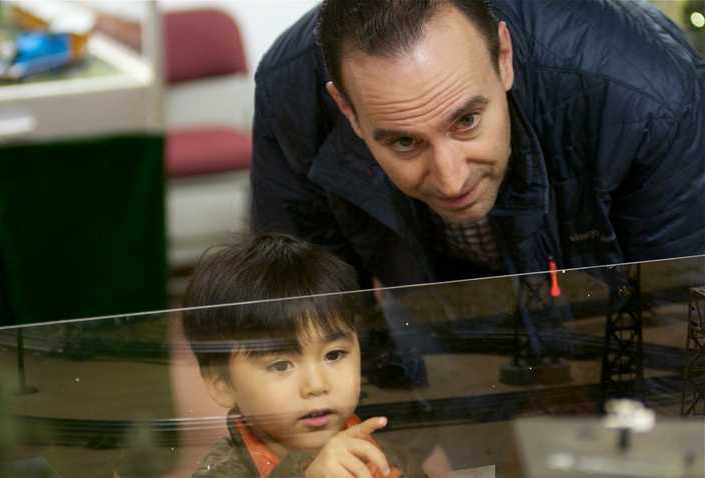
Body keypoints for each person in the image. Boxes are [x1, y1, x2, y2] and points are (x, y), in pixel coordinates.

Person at [251, 0, 705, 288]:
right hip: (447, 345)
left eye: (466, 120)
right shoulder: (289, 95)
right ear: (346, 109)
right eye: (405, 142)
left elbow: (681, 320)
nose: (451, 180)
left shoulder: (646, 95)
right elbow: (303, 316)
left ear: (503, 57)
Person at [182, 233, 427, 477]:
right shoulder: (222, 472)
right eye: (280, 365)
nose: (317, 386)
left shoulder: (388, 456)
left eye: (334, 355)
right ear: (222, 384)